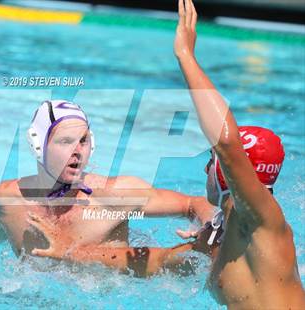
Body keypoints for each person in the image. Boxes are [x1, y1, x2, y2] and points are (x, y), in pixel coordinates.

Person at [29, 0, 305, 308]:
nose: (205, 171)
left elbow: (227, 144)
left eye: (210, 161)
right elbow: (157, 263)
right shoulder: (227, 233)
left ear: (228, 171)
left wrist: (186, 55)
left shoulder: (263, 221)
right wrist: (70, 252)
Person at [0, 100, 213, 273]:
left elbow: (192, 204)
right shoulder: (9, 198)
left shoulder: (116, 195)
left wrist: (211, 225)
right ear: (38, 145)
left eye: (83, 141)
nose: (77, 151)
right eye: (65, 141)